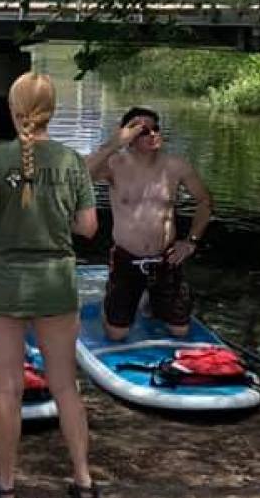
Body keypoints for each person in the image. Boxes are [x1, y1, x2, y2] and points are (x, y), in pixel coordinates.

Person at [0, 72, 99, 498]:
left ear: (15, 112)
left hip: (4, 285)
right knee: (66, 387)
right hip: (56, 284)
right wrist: (56, 219)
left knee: (9, 389)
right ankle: (84, 480)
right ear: (51, 110)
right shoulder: (72, 161)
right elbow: (89, 227)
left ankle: (7, 484)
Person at [85, 106, 214, 341]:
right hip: (127, 257)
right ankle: (112, 306)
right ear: (128, 135)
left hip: (166, 257)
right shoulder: (113, 164)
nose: (152, 134)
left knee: (179, 331)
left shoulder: (176, 166)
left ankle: (152, 301)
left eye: (155, 129)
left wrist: (191, 241)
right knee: (116, 334)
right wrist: (114, 143)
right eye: (142, 131)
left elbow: (205, 201)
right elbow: (75, 176)